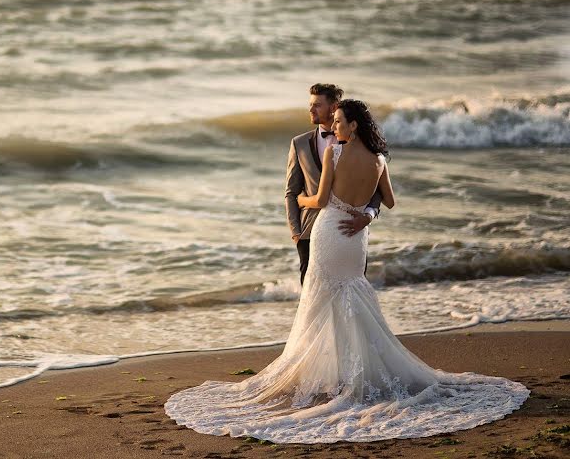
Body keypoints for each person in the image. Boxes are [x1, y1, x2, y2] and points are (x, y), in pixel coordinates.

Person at [164, 100, 529, 443]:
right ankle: (351, 374)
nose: (334, 126)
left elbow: (321, 200)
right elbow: (388, 201)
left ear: (353, 126)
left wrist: (300, 200)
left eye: (339, 121)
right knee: (350, 296)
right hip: (357, 236)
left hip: (330, 230)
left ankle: (333, 378)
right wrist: (364, 212)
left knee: (321, 299)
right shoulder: (379, 158)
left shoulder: (333, 151)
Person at [285, 83, 381, 286]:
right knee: (313, 296)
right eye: (310, 104)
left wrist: (368, 217)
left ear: (333, 106)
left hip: (350, 230)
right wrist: (296, 233)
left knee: (351, 290)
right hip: (310, 232)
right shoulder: (299, 144)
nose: (310, 110)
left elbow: (378, 189)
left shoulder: (361, 147)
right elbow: (291, 191)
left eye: (317, 105)